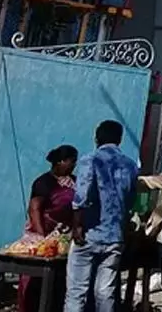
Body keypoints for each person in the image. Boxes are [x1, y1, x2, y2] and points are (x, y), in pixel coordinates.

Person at [66, 120, 139, 312]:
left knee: (76, 292)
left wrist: (77, 226)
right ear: (120, 139)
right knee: (105, 292)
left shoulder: (90, 160)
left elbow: (81, 195)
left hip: (89, 233)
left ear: (97, 138)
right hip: (115, 236)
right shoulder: (131, 166)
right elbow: (131, 201)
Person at [18, 145, 77, 312]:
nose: (74, 165)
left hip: (64, 235)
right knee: (34, 279)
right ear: (60, 161)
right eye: (71, 162)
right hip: (43, 233)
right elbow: (35, 208)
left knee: (60, 280)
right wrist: (43, 238)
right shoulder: (44, 182)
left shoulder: (74, 182)